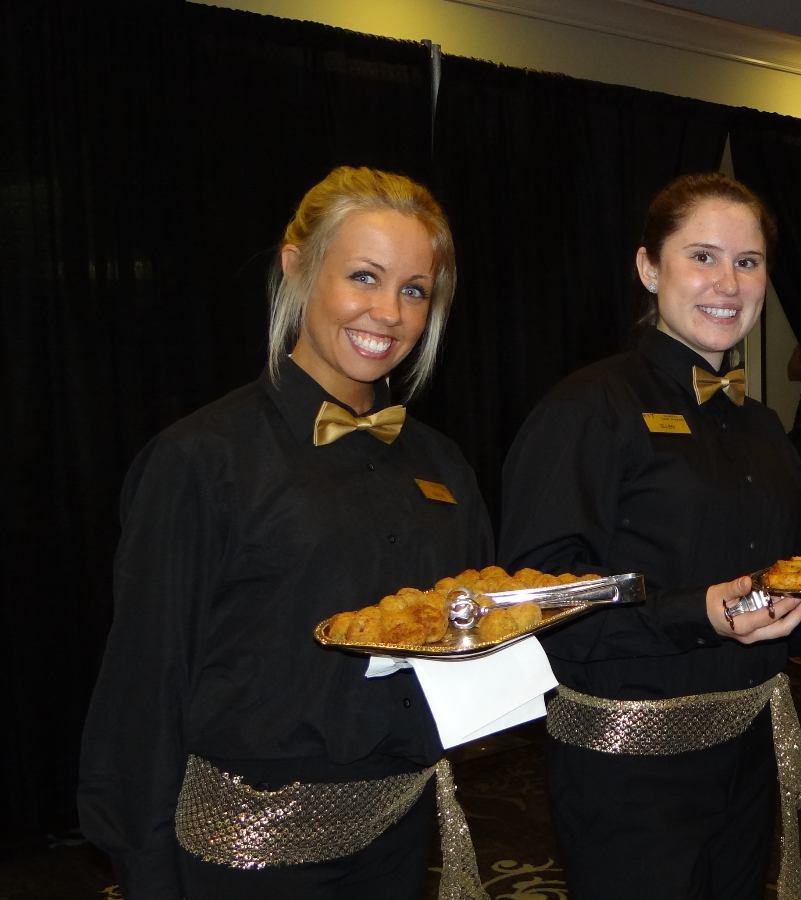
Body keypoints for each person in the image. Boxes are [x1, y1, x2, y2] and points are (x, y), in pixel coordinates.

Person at [79, 167, 494, 899]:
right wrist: (145, 867)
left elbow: (469, 626)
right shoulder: (203, 459)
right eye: (363, 277)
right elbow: (145, 686)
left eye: (413, 289)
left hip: (397, 835)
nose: (388, 313)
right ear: (296, 267)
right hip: (247, 854)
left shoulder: (444, 464)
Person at [498, 173, 801, 900]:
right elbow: (542, 601)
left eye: (747, 262)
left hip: (747, 751)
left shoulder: (761, 427)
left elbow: (783, 579)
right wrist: (699, 612)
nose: (728, 282)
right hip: (629, 769)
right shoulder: (588, 409)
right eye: (703, 257)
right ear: (648, 267)